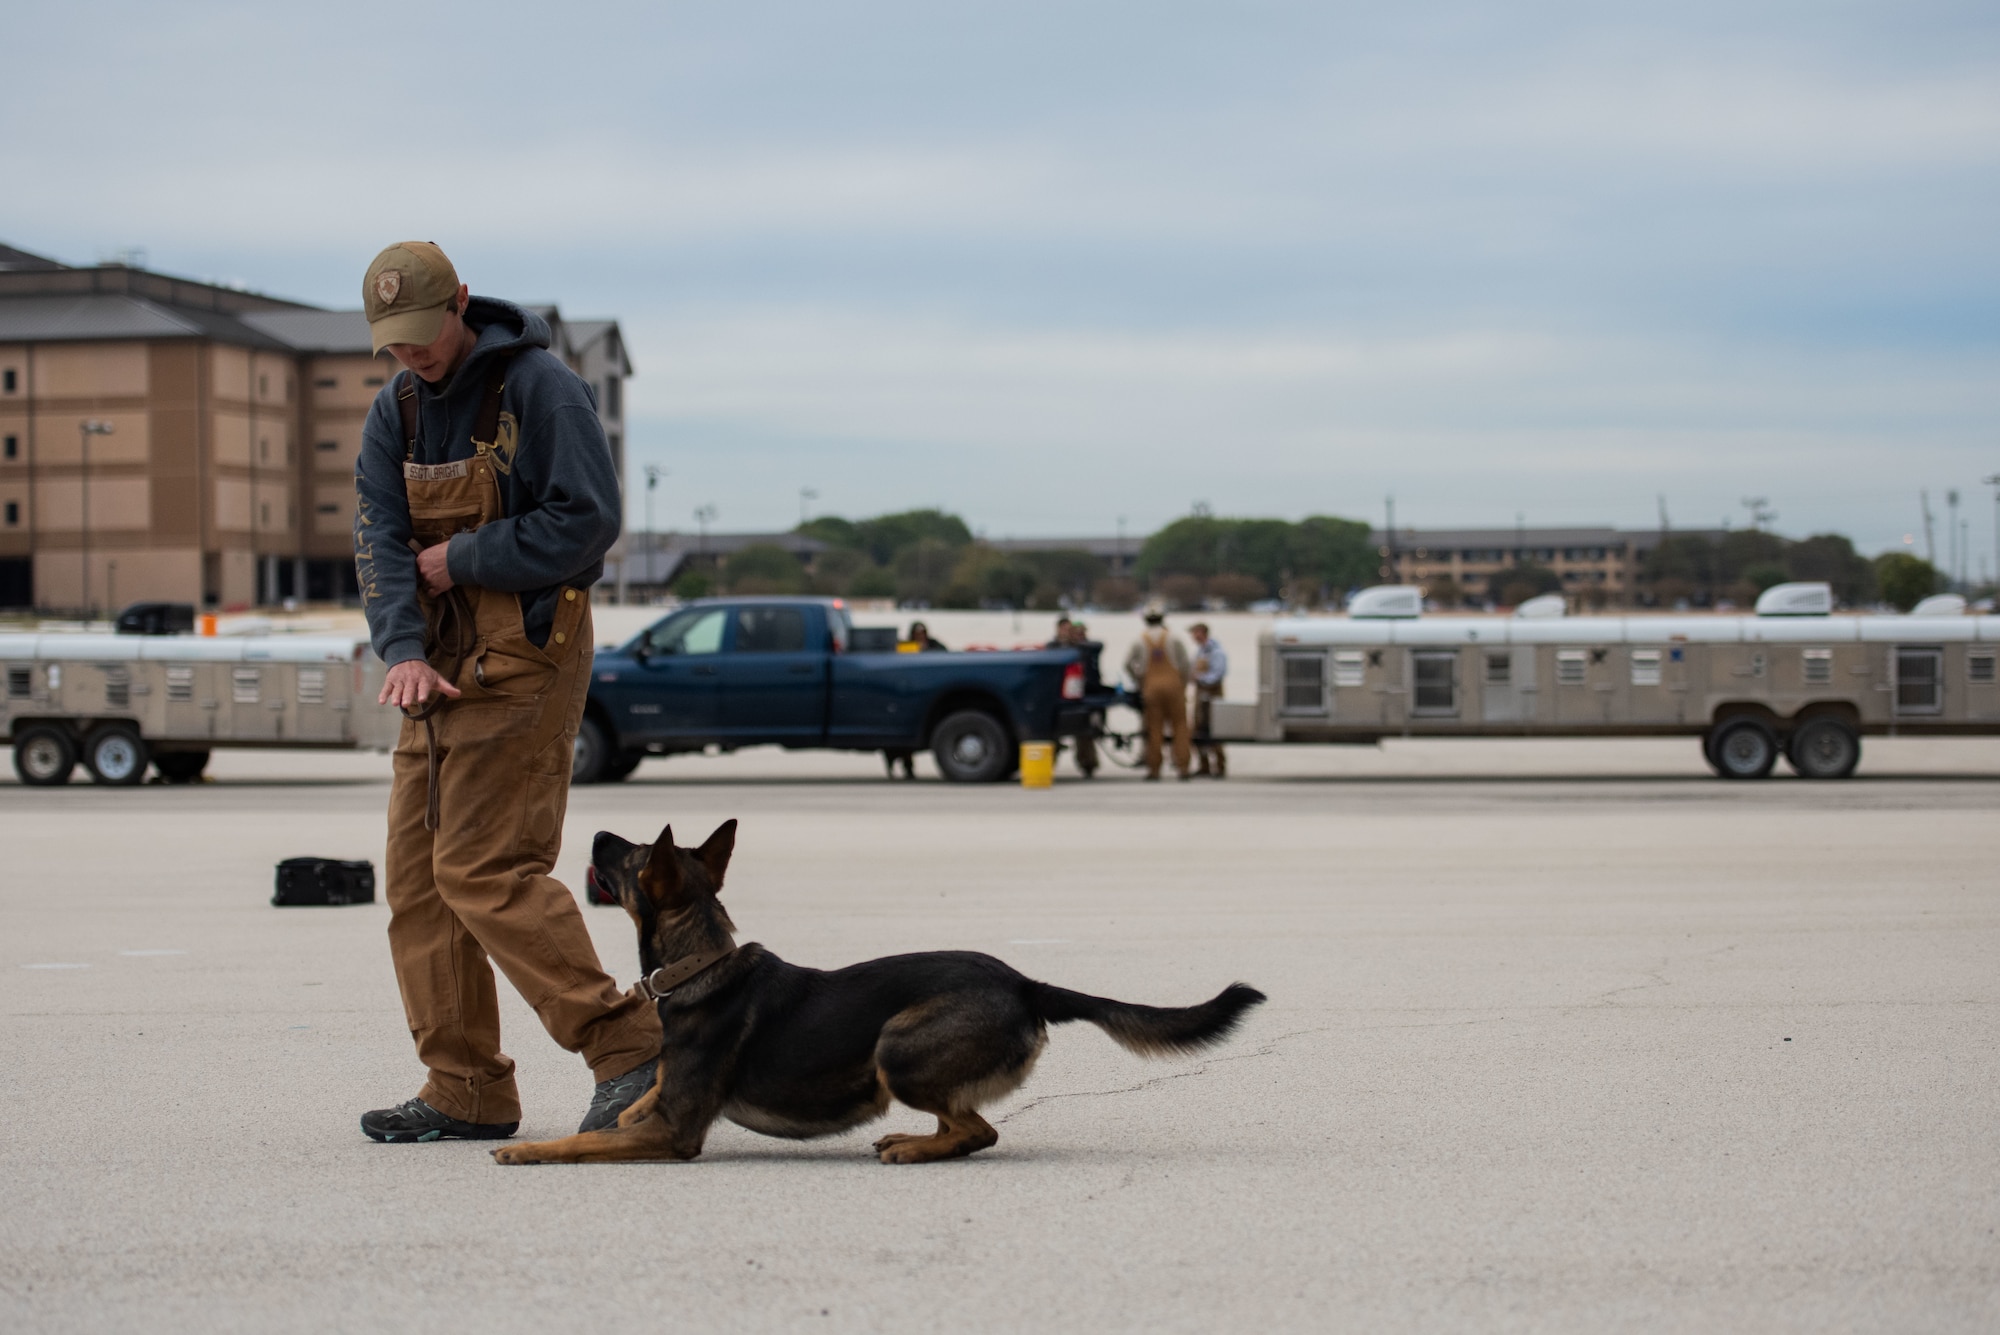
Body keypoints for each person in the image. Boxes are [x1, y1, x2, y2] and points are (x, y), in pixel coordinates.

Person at [351, 241, 661, 1144]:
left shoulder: (539, 387)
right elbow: (376, 537)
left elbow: (588, 521)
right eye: (392, 341)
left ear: (464, 305)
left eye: (420, 335)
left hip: (525, 658)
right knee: (417, 882)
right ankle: (466, 1087)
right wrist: (401, 647)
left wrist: (464, 555)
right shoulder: (396, 409)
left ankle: (630, 1047)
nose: (409, 354)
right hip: (433, 670)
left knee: (484, 869)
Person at [1123, 605, 1192, 781]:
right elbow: (1185, 665)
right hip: (1173, 687)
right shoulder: (1174, 638)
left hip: (1151, 688)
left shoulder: (1139, 640)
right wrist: (1182, 684)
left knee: (1154, 729)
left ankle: (1154, 768)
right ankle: (1183, 767)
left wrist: (1139, 680)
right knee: (1180, 727)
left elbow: (1128, 663)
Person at [1188, 622, 1229, 778]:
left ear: (1202, 633)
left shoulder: (1217, 652)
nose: (1193, 636)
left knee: (1214, 730)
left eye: (1195, 633)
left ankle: (1220, 765)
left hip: (1212, 695)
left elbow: (1218, 674)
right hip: (1200, 695)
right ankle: (1203, 765)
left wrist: (1201, 678)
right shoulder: (1200, 651)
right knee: (1198, 730)